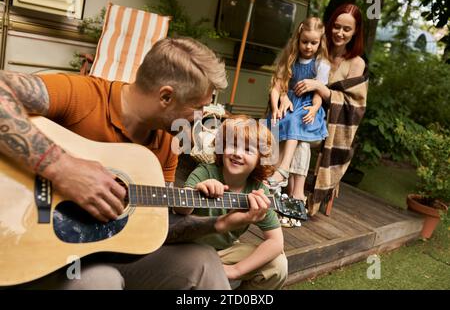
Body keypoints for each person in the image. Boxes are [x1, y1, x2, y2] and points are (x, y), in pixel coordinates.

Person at [0, 37, 267, 289]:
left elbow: (156, 226)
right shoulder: (85, 96)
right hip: (39, 251)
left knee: (204, 261)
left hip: (105, 251)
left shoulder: (168, 140)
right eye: (198, 108)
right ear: (166, 97)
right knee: (100, 280)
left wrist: (217, 224)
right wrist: (62, 169)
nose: (201, 119)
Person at [175, 115, 288, 290]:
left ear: (260, 159)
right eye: (232, 145)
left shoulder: (257, 190)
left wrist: (236, 270)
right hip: (190, 250)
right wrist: (198, 190)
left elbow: (276, 241)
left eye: (248, 150)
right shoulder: (205, 172)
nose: (237, 153)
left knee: (278, 265)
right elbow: (180, 210)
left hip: (224, 251)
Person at [279, 4, 369, 216]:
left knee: (299, 135)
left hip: (330, 125)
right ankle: (293, 196)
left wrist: (320, 87)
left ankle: (292, 196)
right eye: (337, 26)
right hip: (300, 113)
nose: (340, 33)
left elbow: (353, 104)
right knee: (290, 126)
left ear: (356, 31)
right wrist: (283, 95)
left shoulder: (356, 63)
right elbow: (288, 73)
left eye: (347, 29)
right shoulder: (317, 47)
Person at [266, 17, 330, 226]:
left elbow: (319, 91)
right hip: (290, 102)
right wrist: (276, 108)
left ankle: (282, 169)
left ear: (320, 42)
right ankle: (291, 193)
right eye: (305, 42)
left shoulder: (321, 64)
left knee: (293, 121)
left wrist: (315, 107)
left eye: (313, 43)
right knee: (276, 124)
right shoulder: (291, 57)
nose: (308, 47)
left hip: (307, 108)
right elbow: (279, 85)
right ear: (298, 39)